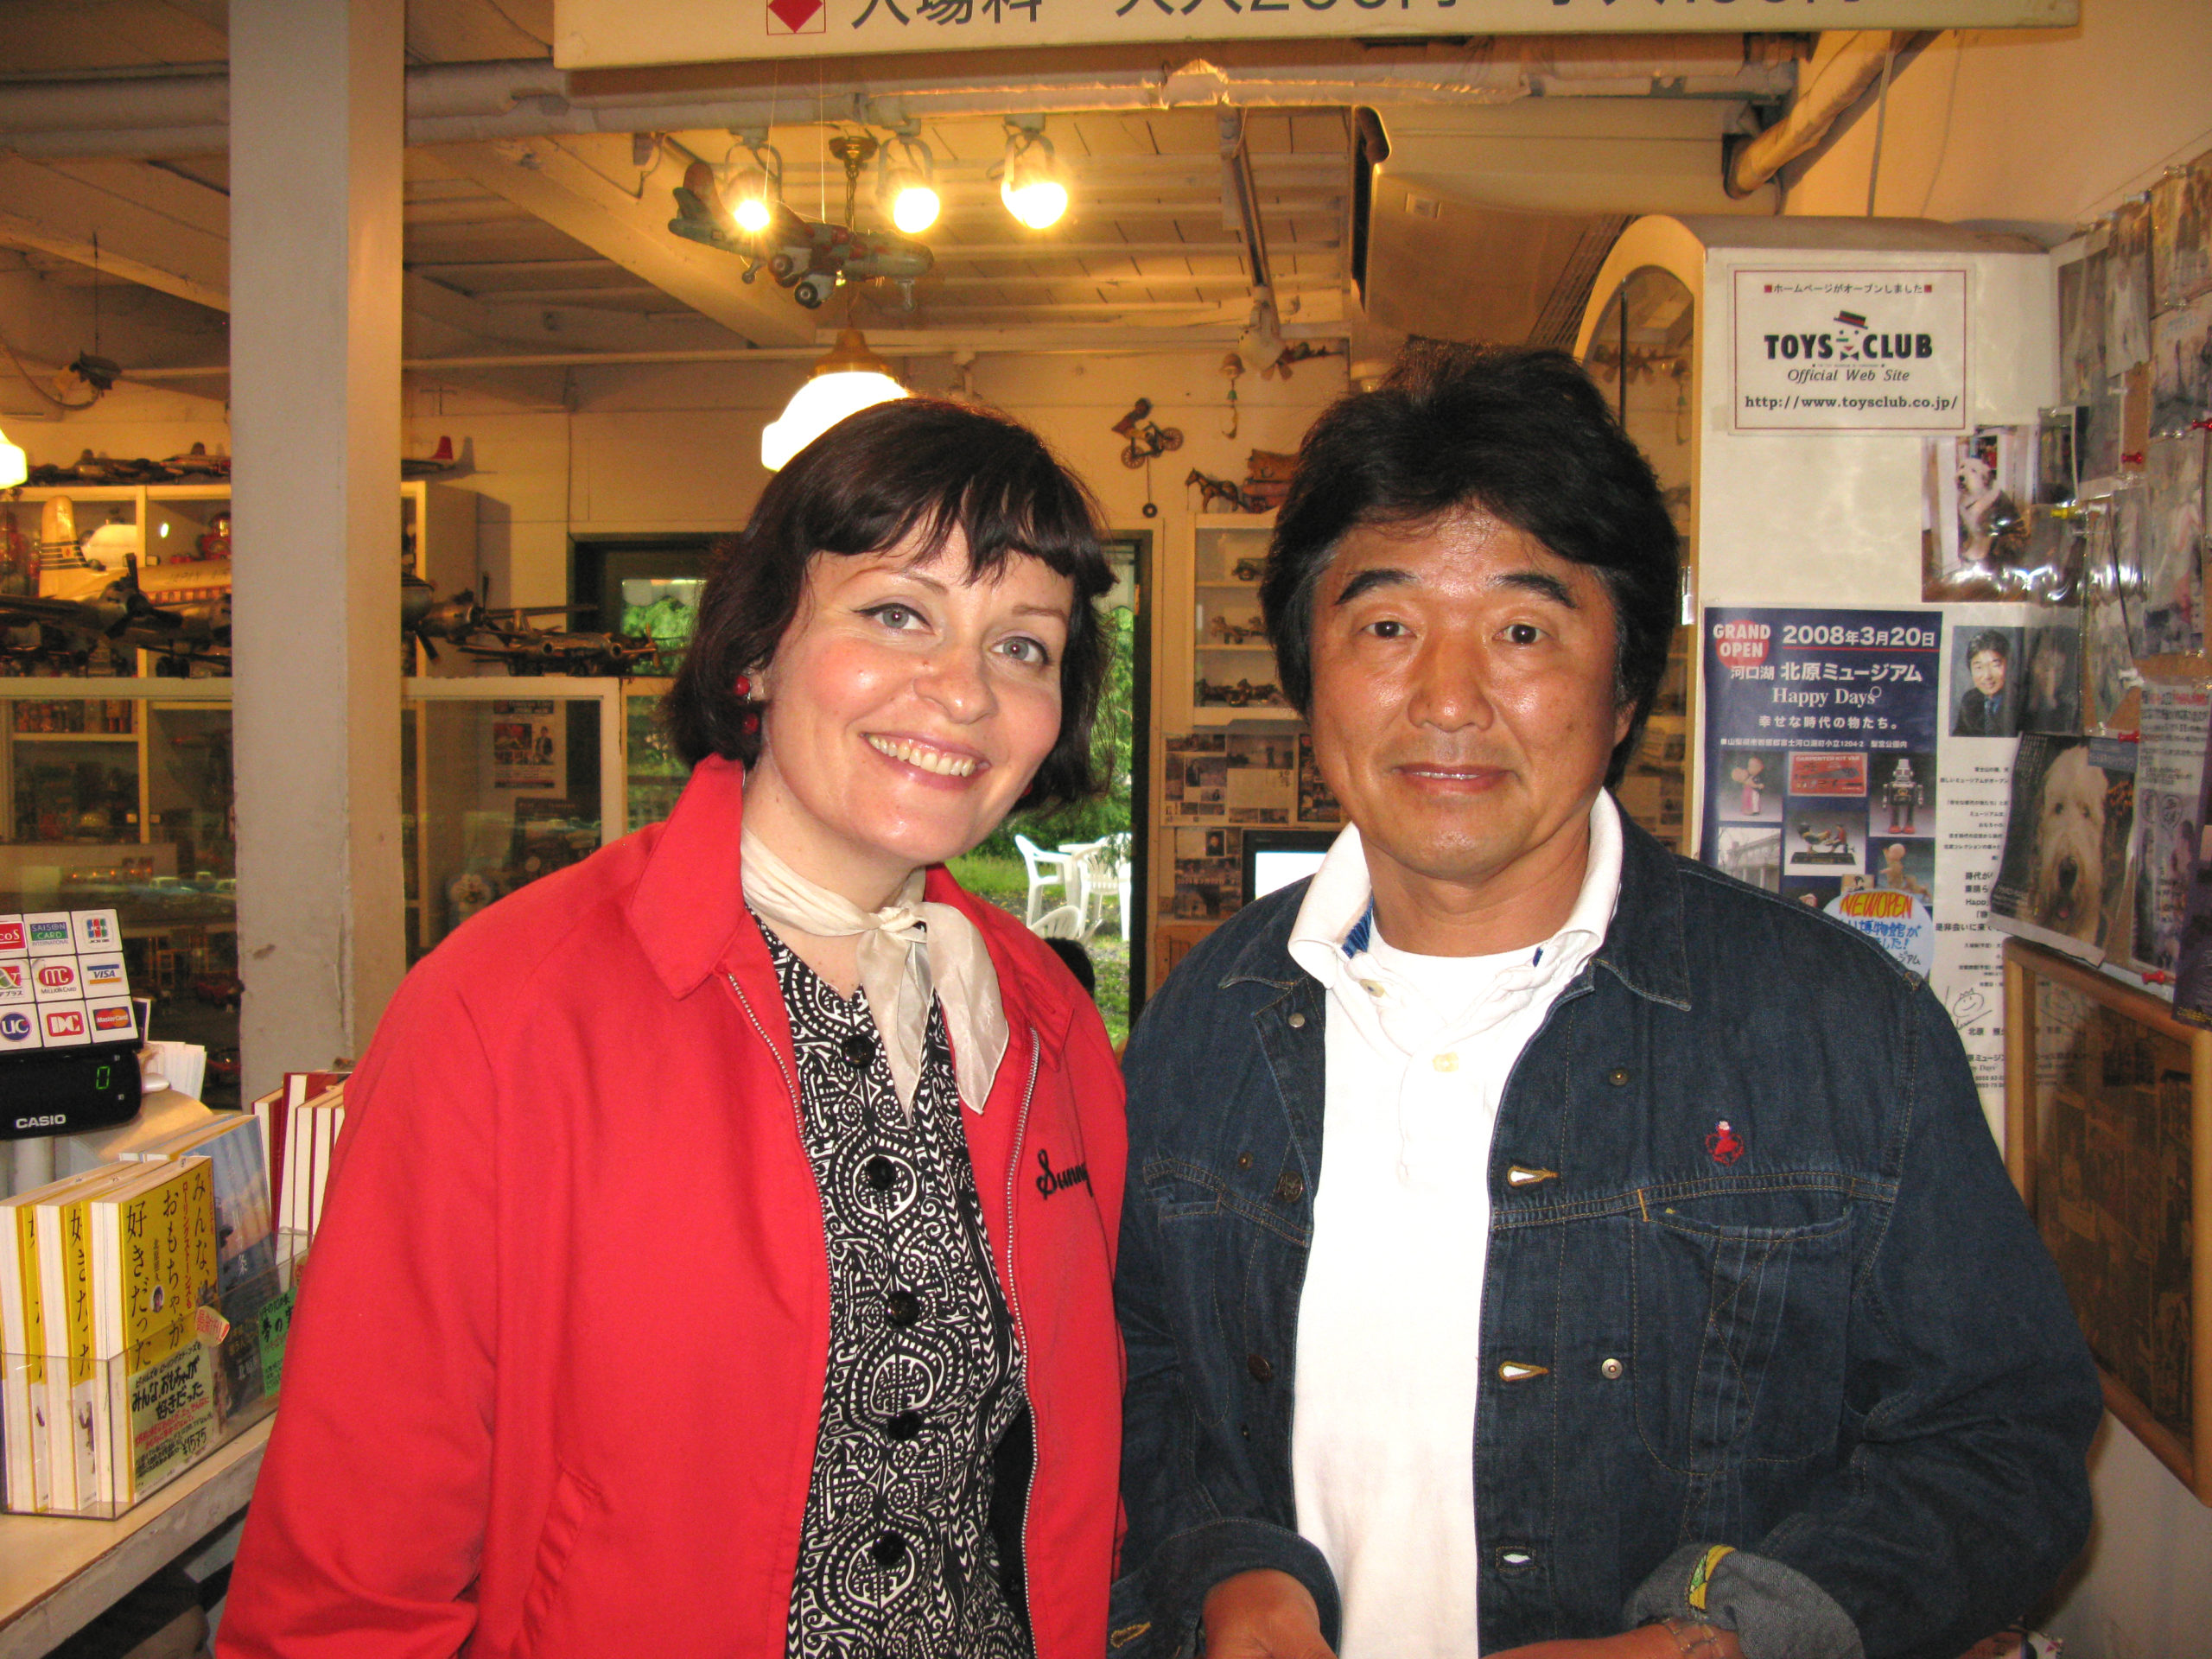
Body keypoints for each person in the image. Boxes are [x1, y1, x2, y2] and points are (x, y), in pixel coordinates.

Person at [1110, 345, 2100, 1659]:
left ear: (1625, 686)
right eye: (1388, 628)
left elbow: (2004, 1440)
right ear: (1309, 678)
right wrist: (1232, 1572)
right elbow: (1148, 1378)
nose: (1448, 699)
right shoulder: (1204, 1024)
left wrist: (1716, 1642)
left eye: (1522, 632)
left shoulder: (1837, 1030)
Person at [219, 398, 1128, 1659]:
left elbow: (1069, 1480)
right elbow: (347, 1582)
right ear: (758, 649)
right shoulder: (506, 1011)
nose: (964, 692)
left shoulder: (1042, 1022)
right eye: (897, 613)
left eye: (1022, 646)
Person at [1954, 630, 2014, 736]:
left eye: (1995, 665)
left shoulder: (2020, 700)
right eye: (1979, 667)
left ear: (2009, 664)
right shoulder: (1969, 700)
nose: (1987, 676)